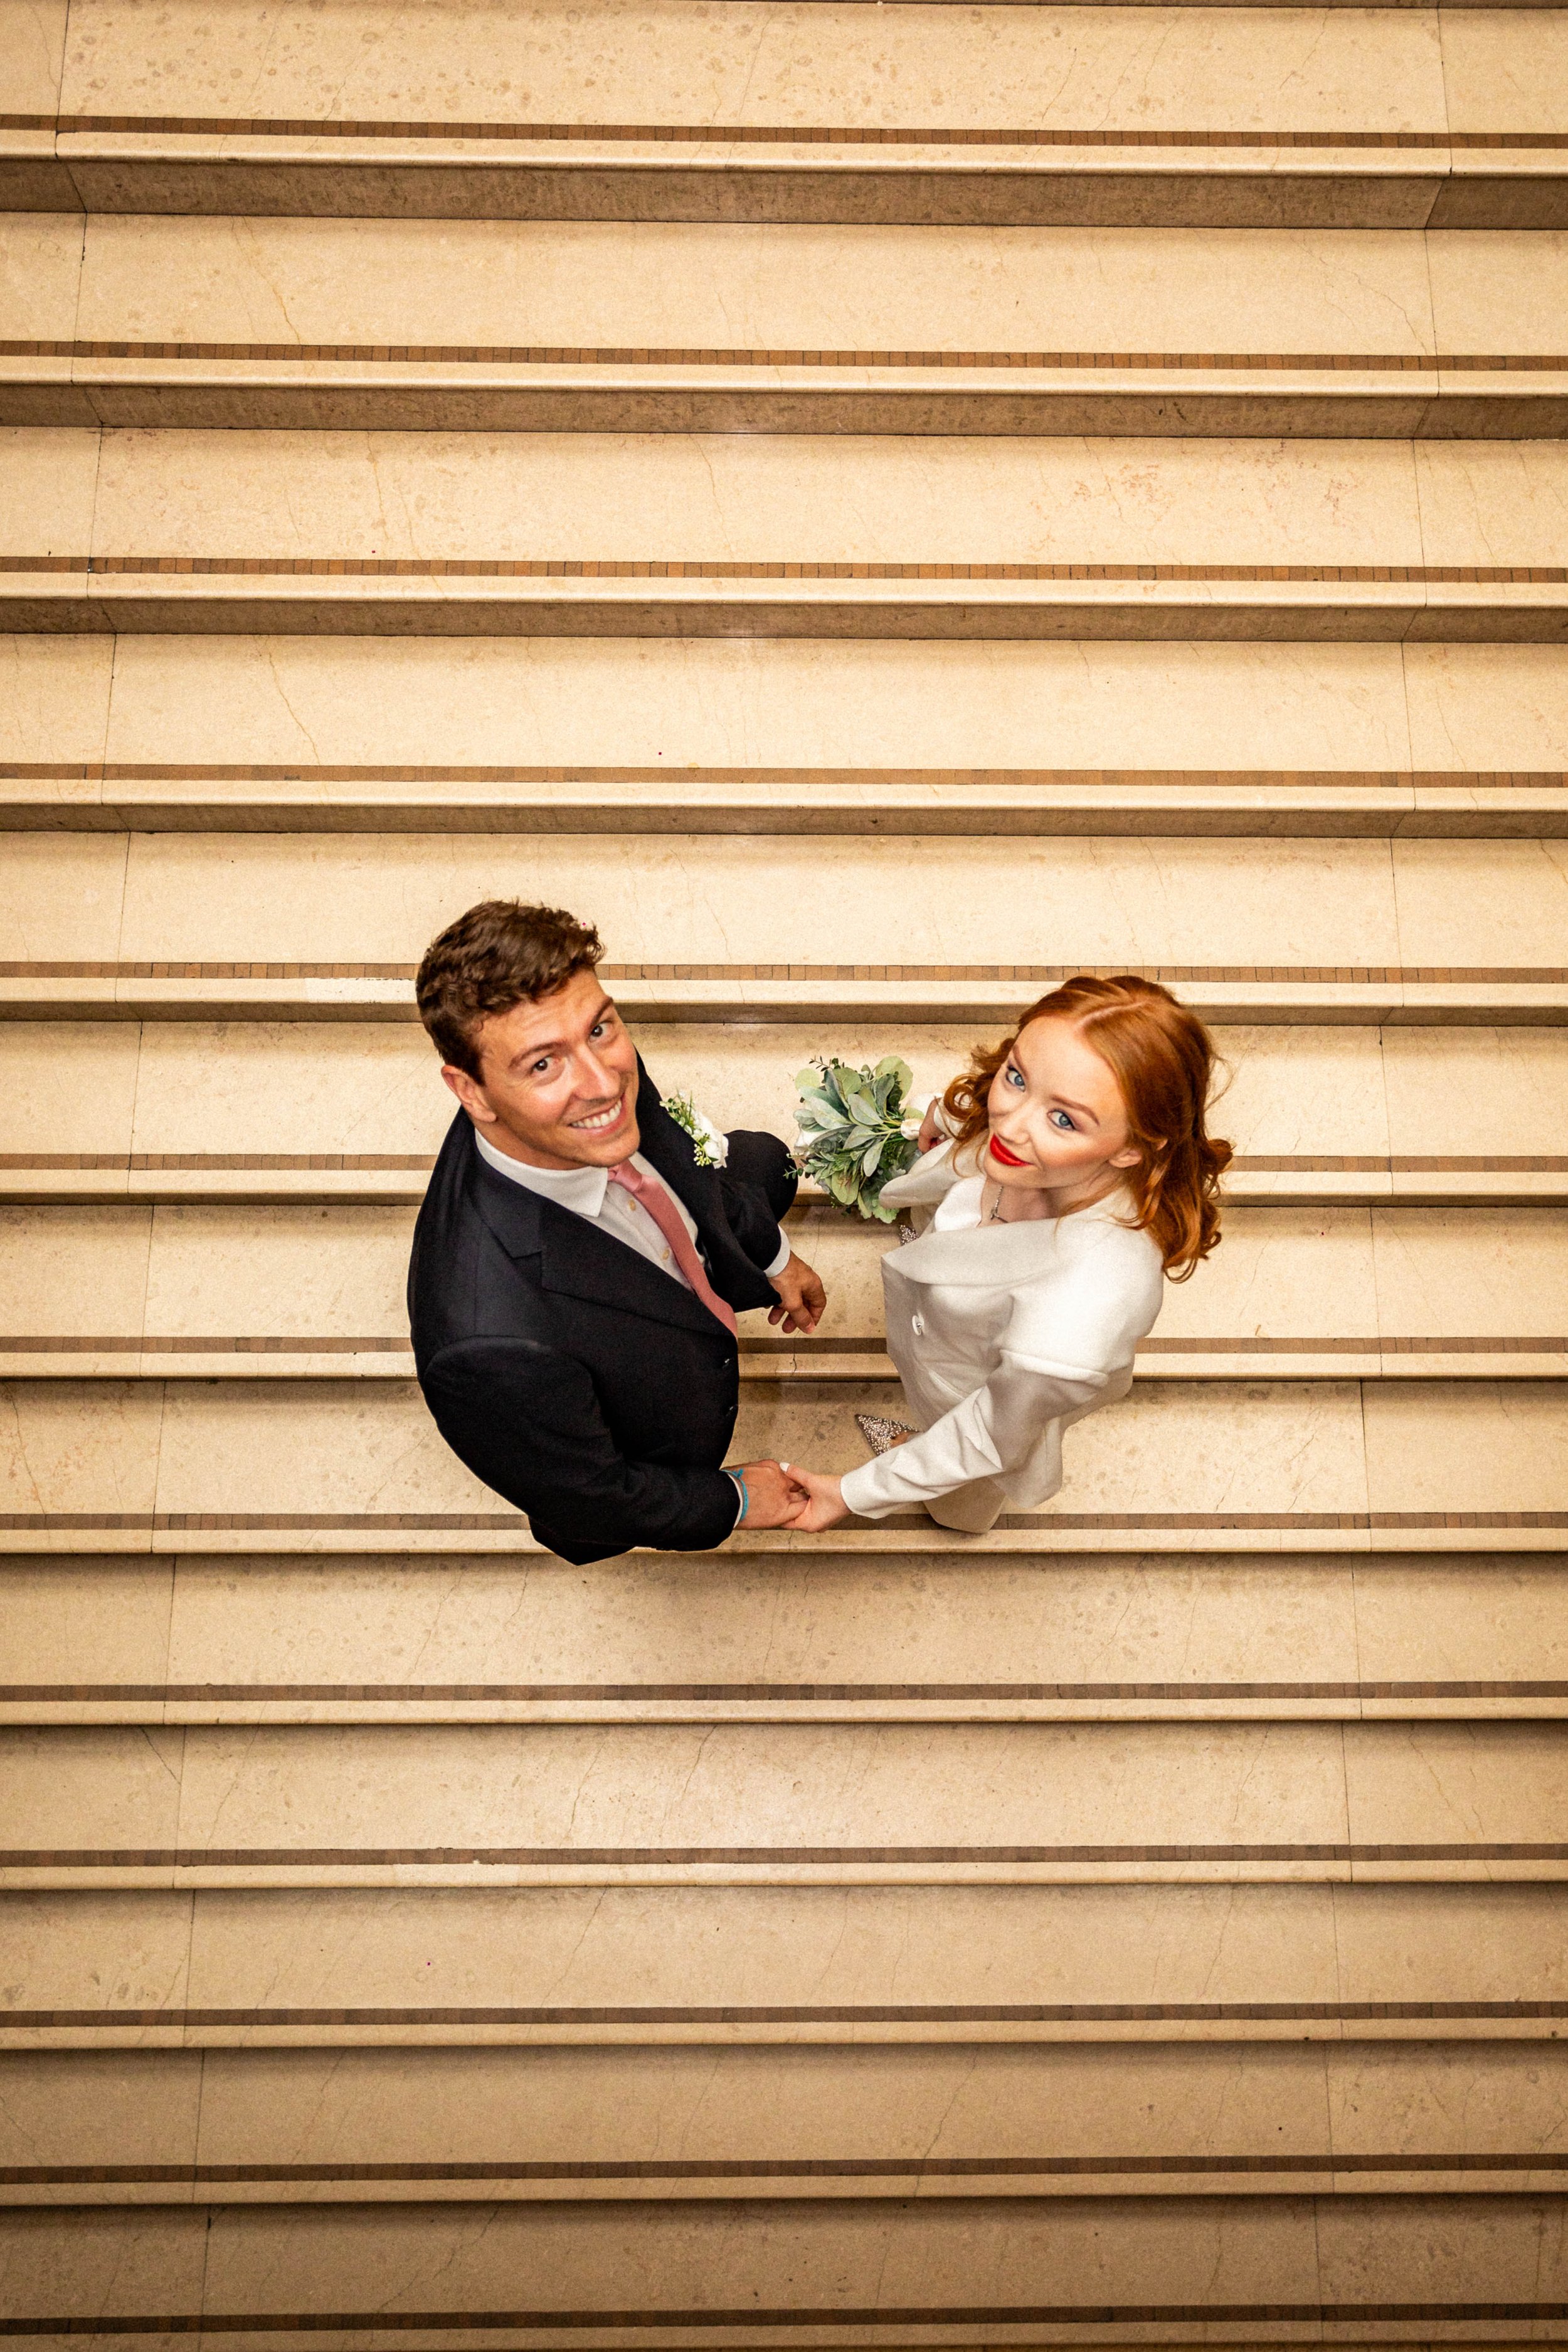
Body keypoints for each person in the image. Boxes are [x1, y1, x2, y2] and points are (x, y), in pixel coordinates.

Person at [406, 899, 824, 1565]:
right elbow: (591, 1494)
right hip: (654, 1432)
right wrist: (734, 1500)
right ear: (473, 1092)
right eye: (543, 1065)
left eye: (601, 1029)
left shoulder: (589, 1056)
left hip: (670, 1267)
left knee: (763, 1161)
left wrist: (772, 1257)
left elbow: (658, 1134)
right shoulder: (488, 1343)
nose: (604, 1086)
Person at [784, 975, 1232, 1535]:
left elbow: (990, 1435)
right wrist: (944, 1115)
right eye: (1017, 1077)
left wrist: (854, 1492)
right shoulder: (1023, 1141)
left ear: (1134, 1147)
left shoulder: (1078, 1316)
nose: (1009, 1126)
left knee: (963, 1489)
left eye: (1064, 1119)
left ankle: (951, 1504)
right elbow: (996, 1115)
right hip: (947, 1334)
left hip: (967, 1391)